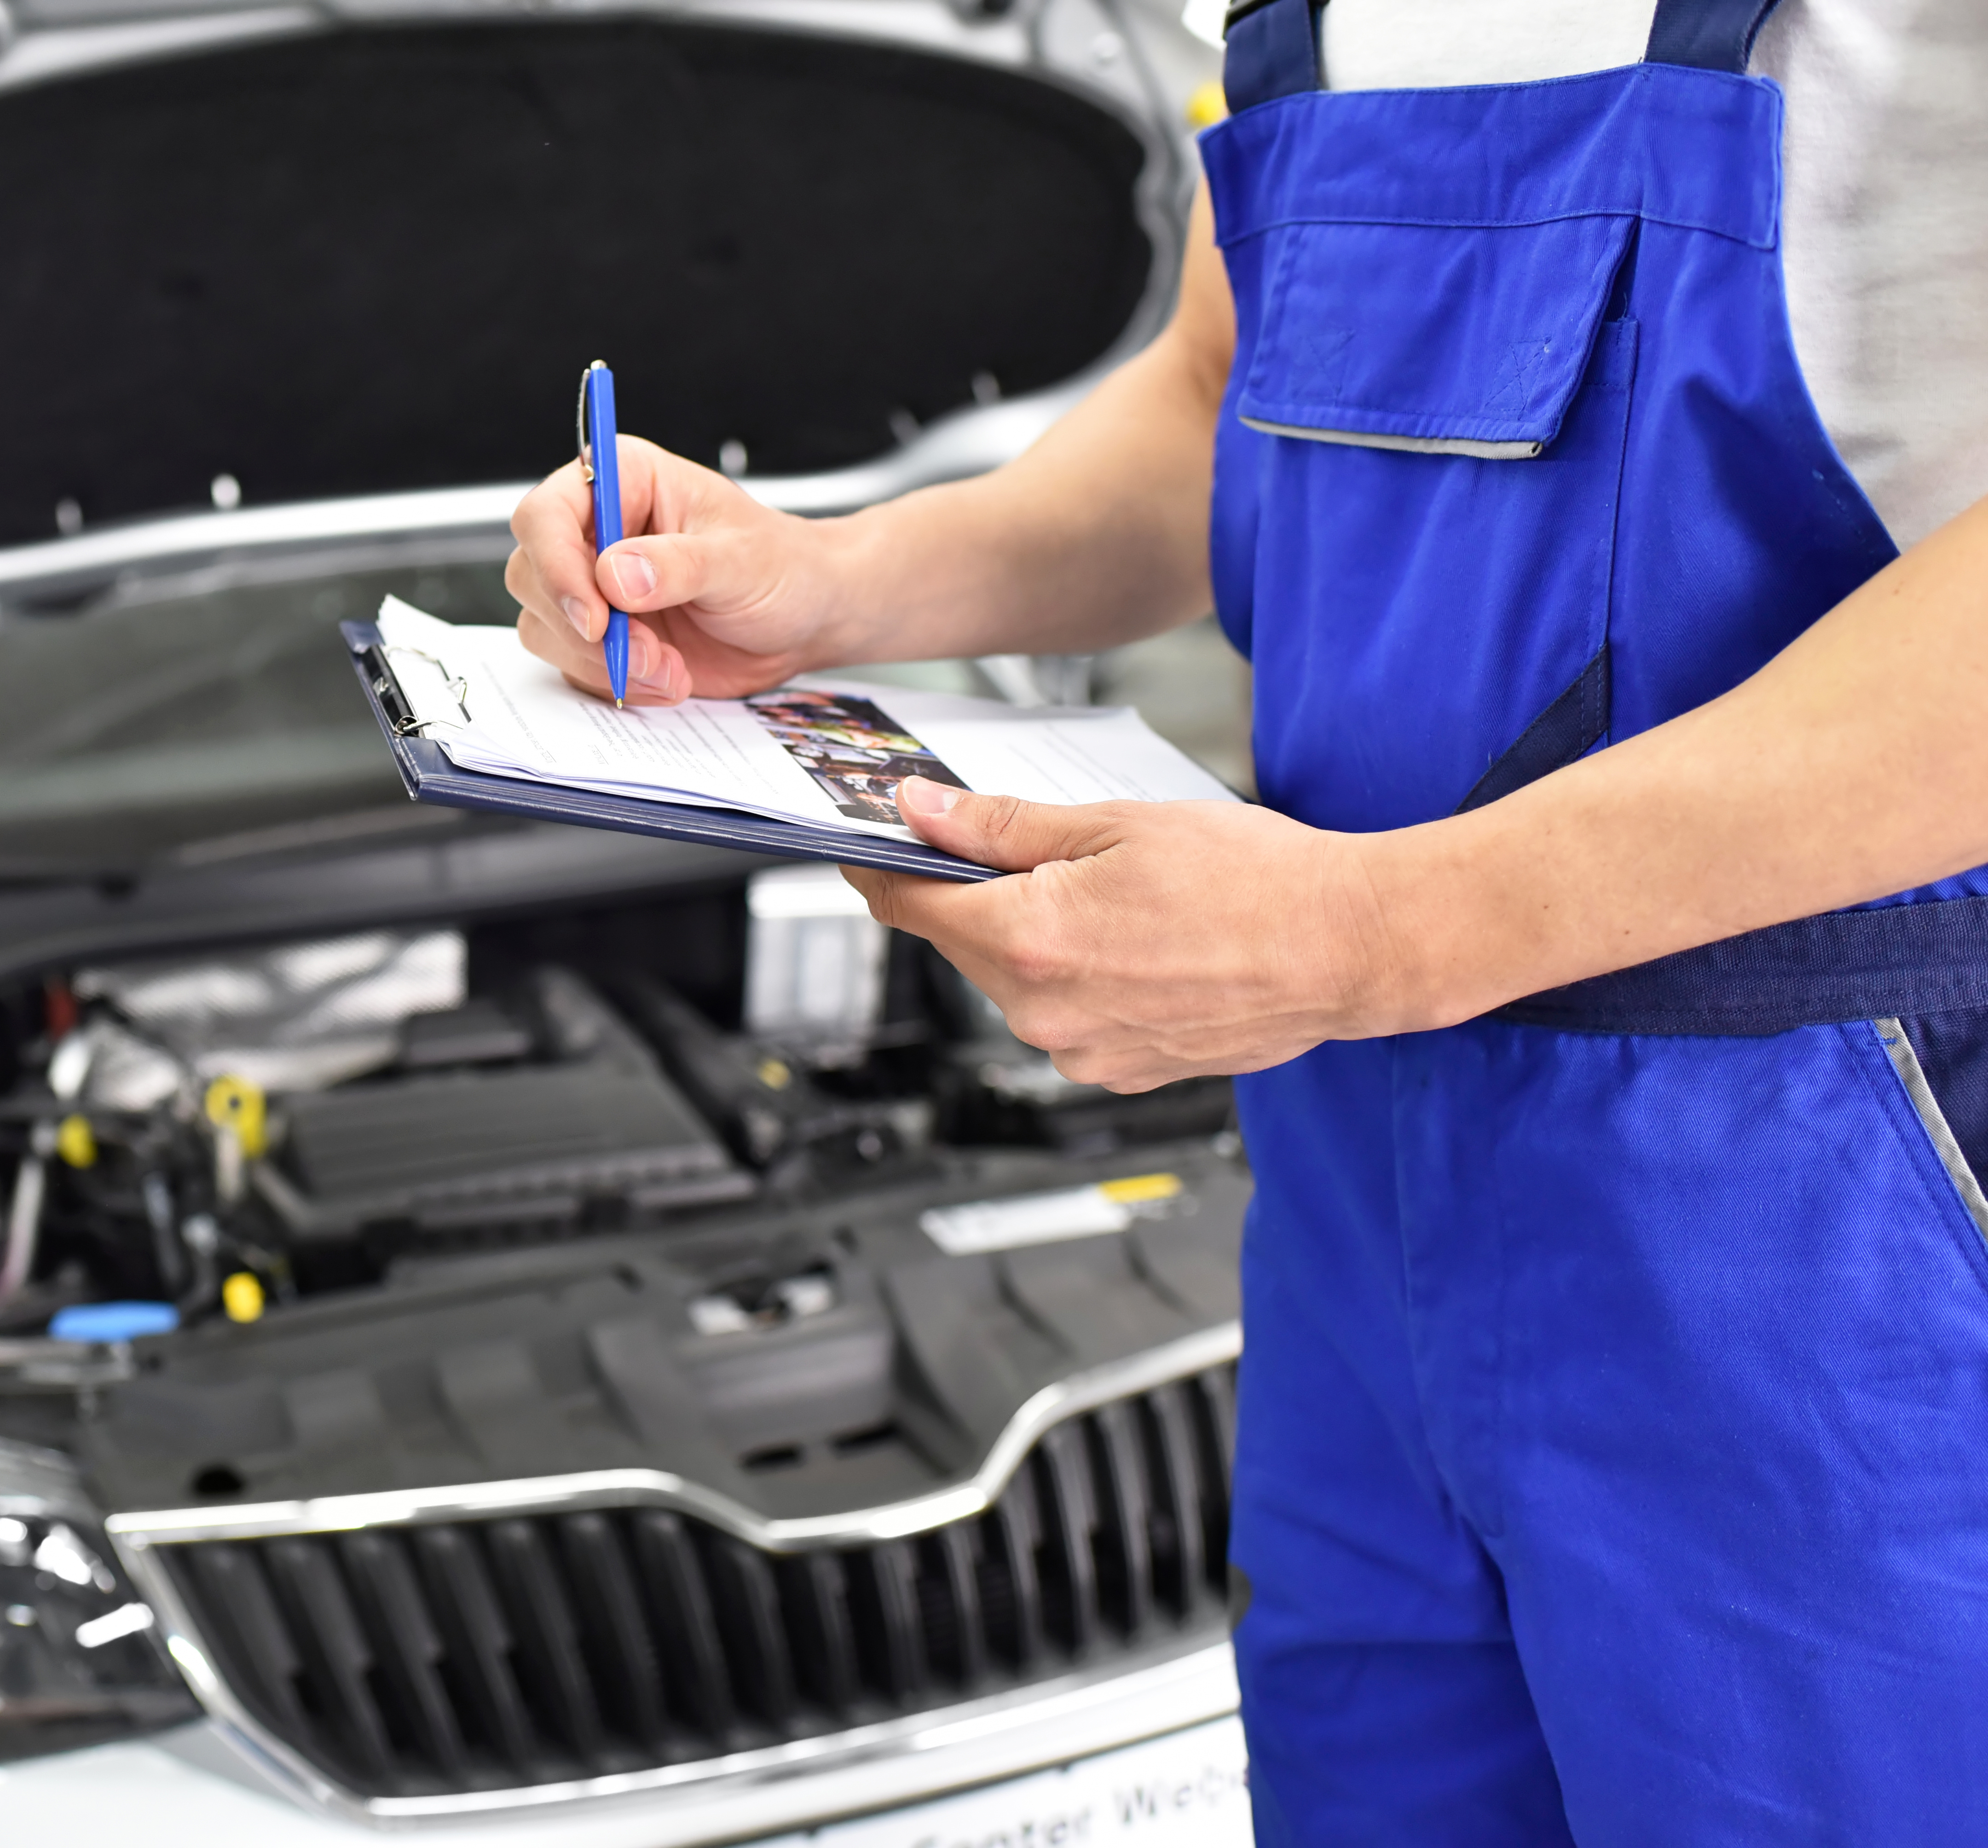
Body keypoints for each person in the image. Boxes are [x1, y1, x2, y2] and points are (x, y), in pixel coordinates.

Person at [505, 0, 1988, 1839]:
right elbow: (1223, 394)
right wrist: (834, 582)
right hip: (1348, 1213)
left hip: (1830, 1233)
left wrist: (1393, 929)